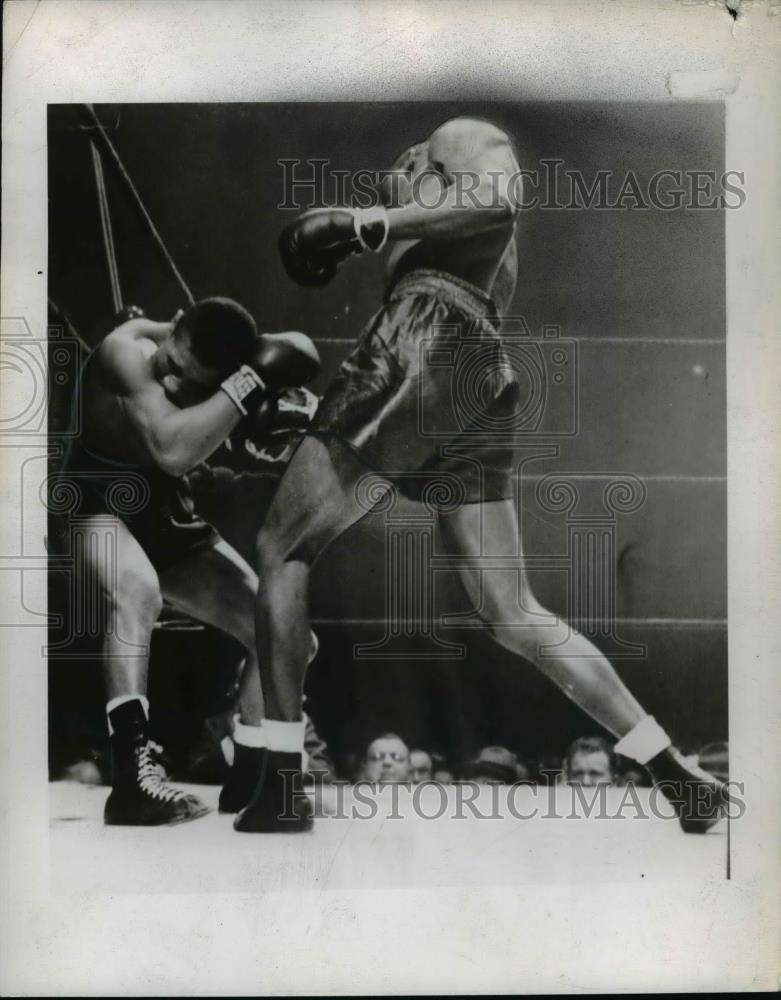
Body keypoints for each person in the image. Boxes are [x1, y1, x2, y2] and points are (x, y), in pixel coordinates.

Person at [236, 116, 724, 834]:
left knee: (282, 548)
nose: (392, 173)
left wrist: (363, 222)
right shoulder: (425, 215)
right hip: (462, 366)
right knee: (511, 611)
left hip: (429, 334)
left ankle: (280, 780)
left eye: (403, 170)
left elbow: (496, 202)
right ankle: (667, 767)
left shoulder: (459, 137)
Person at [59, 298, 319, 825]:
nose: (173, 384)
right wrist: (243, 392)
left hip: (166, 516)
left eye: (189, 380)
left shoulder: (226, 374)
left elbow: (301, 349)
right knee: (136, 589)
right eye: (172, 366)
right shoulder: (124, 351)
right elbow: (172, 450)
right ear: (174, 325)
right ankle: (132, 778)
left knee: (281, 633)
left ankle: (250, 767)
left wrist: (261, 415)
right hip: (95, 504)